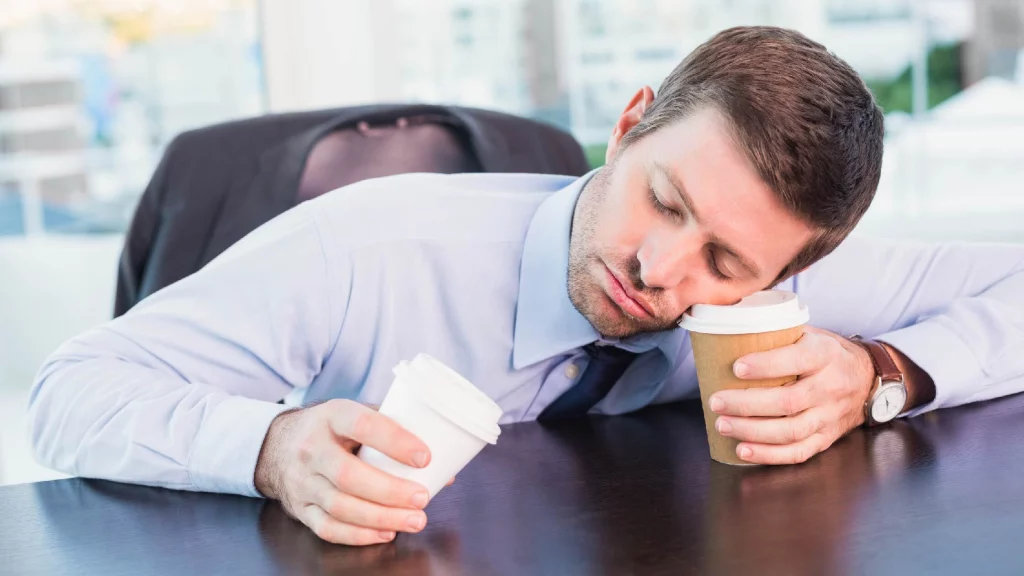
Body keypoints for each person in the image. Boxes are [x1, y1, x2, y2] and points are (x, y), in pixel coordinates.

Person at [28, 27, 1024, 546]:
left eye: (725, 265)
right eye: (662, 199)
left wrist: (881, 372)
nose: (660, 270)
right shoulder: (363, 248)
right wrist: (272, 448)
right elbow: (69, 392)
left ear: (782, 276)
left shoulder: (776, 284)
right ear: (629, 124)